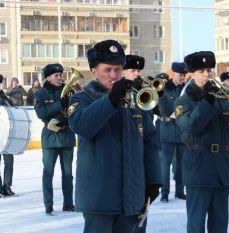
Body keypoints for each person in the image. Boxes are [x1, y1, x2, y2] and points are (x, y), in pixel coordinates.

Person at [68, 39, 162, 233]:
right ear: (94, 71)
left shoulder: (136, 99)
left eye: (118, 70)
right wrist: (110, 100)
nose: (114, 75)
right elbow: (83, 126)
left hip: (133, 197)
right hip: (99, 198)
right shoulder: (82, 98)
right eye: (107, 70)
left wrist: (153, 180)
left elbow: (150, 142)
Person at [175, 51, 229, 233]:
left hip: (222, 167)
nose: (207, 74)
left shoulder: (223, 98)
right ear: (191, 74)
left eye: (209, 70)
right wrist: (206, 102)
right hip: (199, 168)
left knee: (220, 222)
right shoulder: (184, 100)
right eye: (201, 70)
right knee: (196, 223)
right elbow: (192, 126)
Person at [34, 63, 76, 215]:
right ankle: (49, 205)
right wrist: (60, 104)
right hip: (50, 139)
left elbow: (76, 109)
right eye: (56, 75)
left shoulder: (69, 91)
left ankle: (68, 203)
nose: (60, 77)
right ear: (48, 77)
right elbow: (41, 113)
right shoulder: (40, 94)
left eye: (61, 75)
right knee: (48, 173)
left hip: (67, 137)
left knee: (68, 174)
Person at [157, 62, 187, 203]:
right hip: (167, 130)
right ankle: (164, 193)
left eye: (184, 75)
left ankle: (180, 191)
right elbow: (157, 107)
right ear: (173, 74)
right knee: (165, 165)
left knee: (181, 165)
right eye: (180, 75)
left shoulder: (185, 89)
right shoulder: (164, 88)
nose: (182, 77)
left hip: (181, 131)